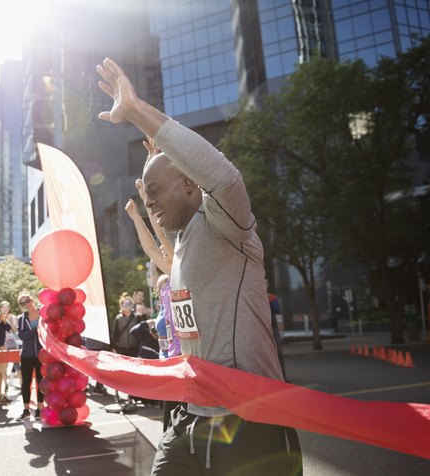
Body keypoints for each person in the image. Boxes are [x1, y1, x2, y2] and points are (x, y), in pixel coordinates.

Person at [96, 57, 302, 475]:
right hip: (190, 414)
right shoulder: (183, 242)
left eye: (155, 190)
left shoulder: (228, 223)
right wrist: (154, 180)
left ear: (189, 183)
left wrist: (137, 112)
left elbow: (223, 177)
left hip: (249, 420)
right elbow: (163, 233)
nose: (148, 200)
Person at [16, 292, 43, 421]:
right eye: (23, 303)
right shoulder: (21, 318)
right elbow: (22, 336)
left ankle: (40, 409)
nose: (27, 304)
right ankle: (26, 410)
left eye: (27, 300)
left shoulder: (43, 314)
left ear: (31, 300)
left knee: (41, 382)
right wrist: (35, 331)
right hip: (26, 355)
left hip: (41, 355)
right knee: (26, 383)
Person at [1, 300, 22, 391]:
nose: (5, 309)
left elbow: (15, 330)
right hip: (3, 343)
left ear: (9, 308)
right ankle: (5, 384)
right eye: (3, 308)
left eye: (7, 307)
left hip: (13, 342)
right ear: (1, 309)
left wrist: (8, 321)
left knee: (17, 364)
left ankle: (22, 383)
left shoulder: (13, 317)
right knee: (3, 365)